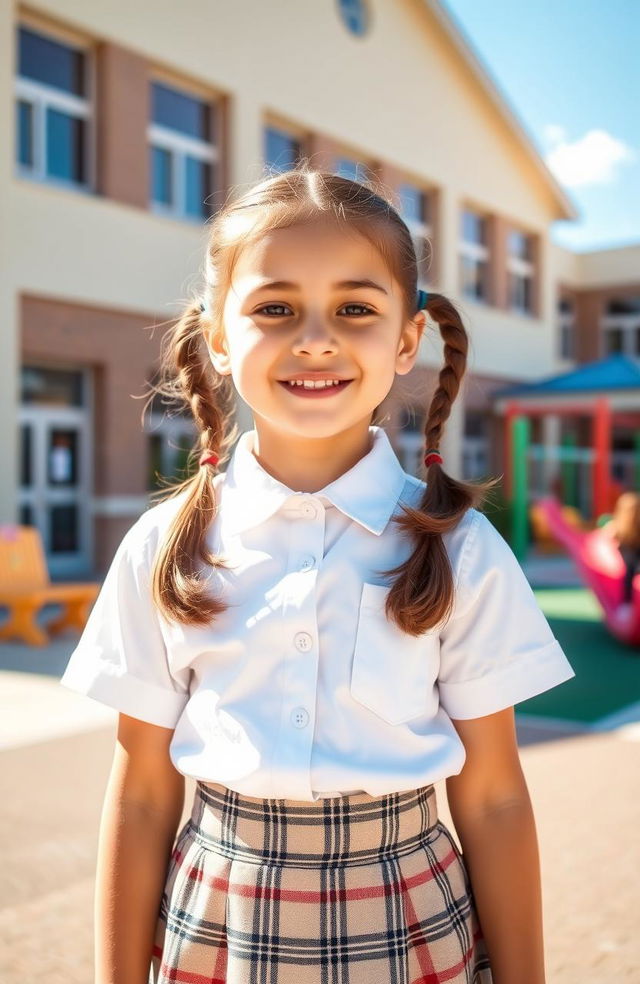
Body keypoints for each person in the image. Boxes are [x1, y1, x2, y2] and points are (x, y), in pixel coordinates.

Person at [60, 165, 576, 984]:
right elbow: (143, 796)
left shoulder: (462, 549)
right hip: (214, 923)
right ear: (219, 341)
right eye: (274, 307)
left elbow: (496, 798)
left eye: (356, 309)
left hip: (410, 916)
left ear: (407, 341)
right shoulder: (164, 546)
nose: (315, 338)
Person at [601, 490, 640, 631]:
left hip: (627, 590)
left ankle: (627, 605)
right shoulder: (618, 530)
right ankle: (627, 605)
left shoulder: (617, 530)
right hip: (629, 587)